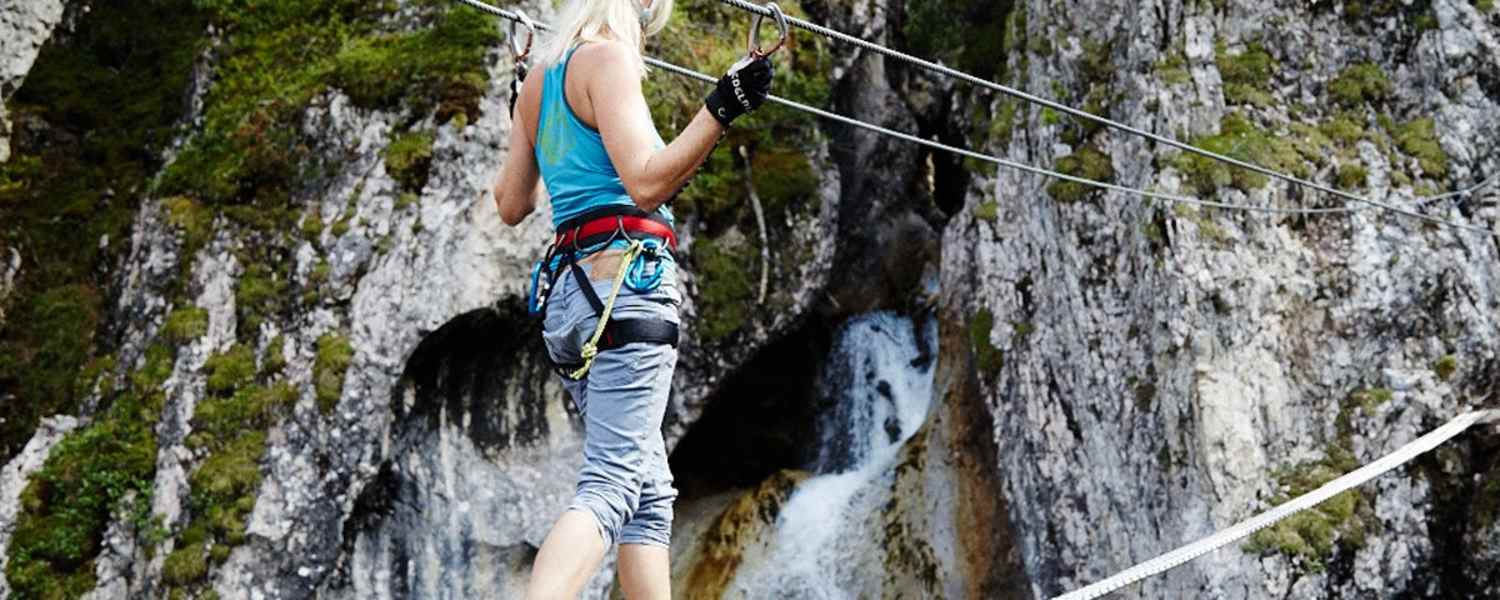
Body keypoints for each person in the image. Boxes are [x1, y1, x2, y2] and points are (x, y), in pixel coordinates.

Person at [491, 0, 775, 597]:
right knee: (614, 483)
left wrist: (522, 112)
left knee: (647, 498)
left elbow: (511, 206)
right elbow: (647, 182)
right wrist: (722, 107)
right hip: (626, 288)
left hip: (571, 304)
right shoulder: (609, 61)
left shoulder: (539, 83)